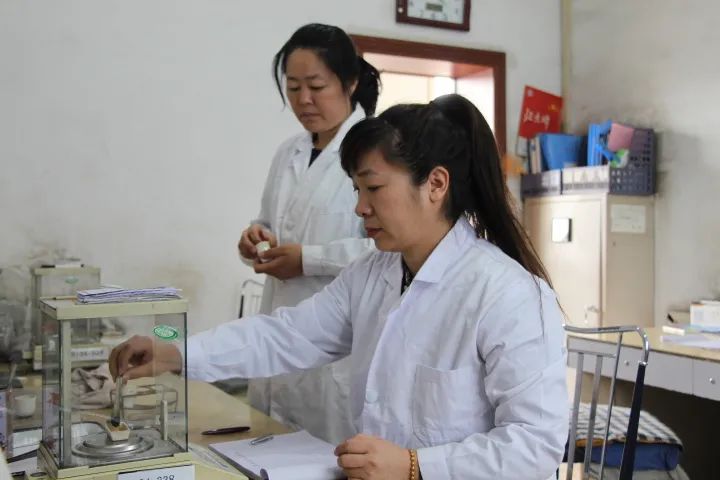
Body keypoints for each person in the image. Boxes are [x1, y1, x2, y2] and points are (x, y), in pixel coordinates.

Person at [111, 94, 568, 479]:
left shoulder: (506, 294)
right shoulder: (374, 274)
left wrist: (415, 466)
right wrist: (173, 352)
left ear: (435, 184)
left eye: (373, 188)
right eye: (356, 190)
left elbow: (536, 446)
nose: (360, 208)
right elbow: (286, 335)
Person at [235, 23, 380, 443]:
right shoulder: (289, 153)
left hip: (335, 358)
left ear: (350, 83)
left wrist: (308, 259)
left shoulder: (378, 151)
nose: (303, 100)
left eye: (316, 86)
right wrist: (254, 239)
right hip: (278, 341)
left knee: (327, 458)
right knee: (267, 451)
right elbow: (269, 222)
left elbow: (386, 251)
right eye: (294, 87)